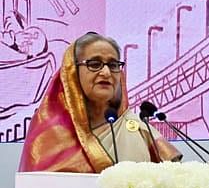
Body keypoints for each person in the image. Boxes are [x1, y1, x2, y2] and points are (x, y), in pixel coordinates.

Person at [19, 32, 181, 173]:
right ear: (73, 72)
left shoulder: (138, 129)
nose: (106, 72)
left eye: (113, 65)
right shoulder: (47, 134)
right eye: (94, 64)